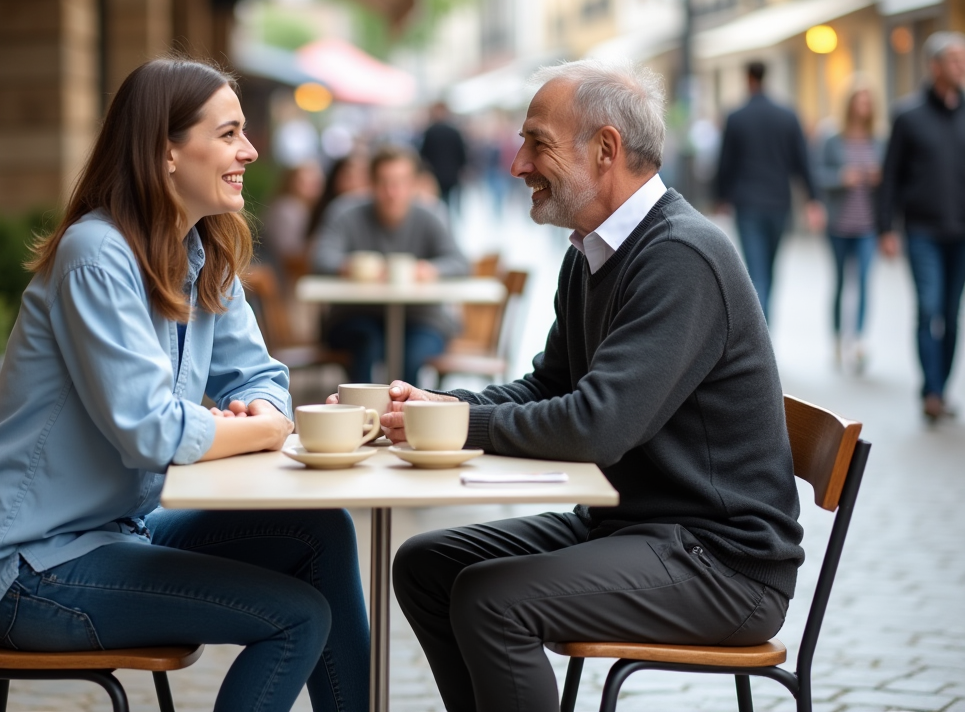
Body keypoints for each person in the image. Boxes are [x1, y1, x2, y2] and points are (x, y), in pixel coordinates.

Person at [375, 59, 803, 712]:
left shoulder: (680, 256)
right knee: (426, 567)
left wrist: (458, 426)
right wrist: (443, 407)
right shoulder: (592, 254)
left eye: (536, 142)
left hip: (721, 565)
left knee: (492, 601)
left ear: (605, 150)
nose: (517, 164)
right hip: (632, 529)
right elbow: (548, 385)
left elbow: (597, 426)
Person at [0, 59, 368, 712]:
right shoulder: (96, 257)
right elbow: (149, 433)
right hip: (36, 573)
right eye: (230, 133)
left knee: (322, 530)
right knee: (297, 617)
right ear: (167, 151)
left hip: (122, 530)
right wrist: (264, 427)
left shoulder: (202, 250)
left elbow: (262, 375)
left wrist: (262, 406)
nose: (251, 150)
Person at [309, 145, 469, 383]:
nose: (392, 192)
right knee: (367, 344)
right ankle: (361, 416)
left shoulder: (432, 214)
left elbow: (460, 263)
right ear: (371, 184)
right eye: (384, 182)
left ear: (414, 185)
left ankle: (403, 418)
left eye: (401, 182)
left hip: (421, 318)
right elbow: (320, 258)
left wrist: (429, 269)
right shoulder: (345, 212)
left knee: (412, 354)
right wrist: (350, 267)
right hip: (354, 315)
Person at [879, 31, 965, 423]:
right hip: (922, 230)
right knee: (928, 308)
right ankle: (930, 391)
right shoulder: (908, 115)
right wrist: (886, 228)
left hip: (960, 232)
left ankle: (939, 389)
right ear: (934, 66)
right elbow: (890, 175)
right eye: (954, 60)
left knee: (951, 312)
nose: (961, 66)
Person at [716, 60, 825, 321]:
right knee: (770, 269)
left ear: (748, 79)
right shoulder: (788, 115)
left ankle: (758, 332)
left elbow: (725, 162)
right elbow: (802, 160)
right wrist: (813, 199)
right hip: (779, 202)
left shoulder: (736, 116)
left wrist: (720, 196)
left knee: (757, 271)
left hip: (747, 203)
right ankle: (765, 328)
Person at [813, 83, 885, 373]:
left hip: (868, 223)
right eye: (859, 101)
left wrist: (879, 177)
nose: (863, 106)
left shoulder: (879, 140)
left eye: (868, 101)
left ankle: (858, 341)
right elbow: (818, 174)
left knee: (865, 280)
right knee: (841, 281)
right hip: (839, 223)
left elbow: (891, 177)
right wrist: (842, 177)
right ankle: (837, 340)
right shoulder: (832, 139)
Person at [260, 160, 324, 268]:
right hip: (276, 272)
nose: (311, 187)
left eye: (314, 183)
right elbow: (289, 255)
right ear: (291, 181)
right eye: (304, 182)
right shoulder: (287, 209)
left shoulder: (303, 208)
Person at [306, 153, 371, 240]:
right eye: (349, 176)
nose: (354, 182)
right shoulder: (328, 208)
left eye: (361, 176)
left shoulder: (371, 209)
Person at [420, 101, 469, 213]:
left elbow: (423, 154)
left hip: (435, 175)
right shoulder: (454, 132)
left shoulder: (430, 132)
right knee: (449, 204)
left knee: (437, 204)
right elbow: (462, 154)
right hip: (451, 175)